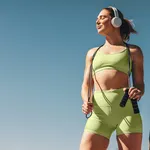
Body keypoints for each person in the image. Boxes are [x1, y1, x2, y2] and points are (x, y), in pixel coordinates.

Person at [80, 6, 145, 150]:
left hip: (127, 113)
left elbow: (140, 84)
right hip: (99, 114)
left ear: (116, 21)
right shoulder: (92, 53)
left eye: (102, 17)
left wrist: (138, 91)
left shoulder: (133, 52)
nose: (97, 21)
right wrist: (86, 100)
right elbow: (86, 85)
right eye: (97, 18)